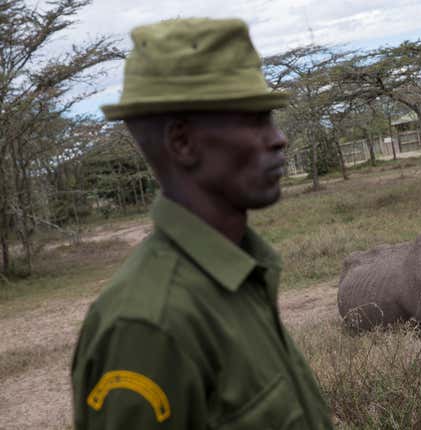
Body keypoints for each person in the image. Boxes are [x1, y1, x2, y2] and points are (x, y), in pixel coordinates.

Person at [71, 18, 334, 429]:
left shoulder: (240, 277)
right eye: (254, 120)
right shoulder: (148, 327)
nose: (279, 138)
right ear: (183, 143)